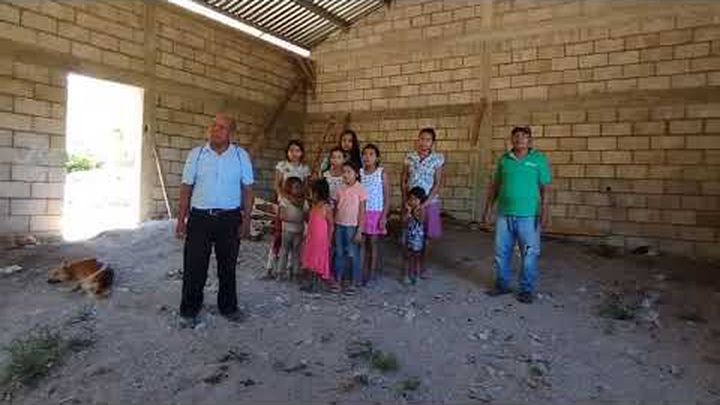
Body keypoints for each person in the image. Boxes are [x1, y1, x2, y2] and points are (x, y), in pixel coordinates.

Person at [175, 113, 254, 327]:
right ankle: (189, 309)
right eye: (214, 126)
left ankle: (228, 307)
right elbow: (186, 187)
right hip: (199, 218)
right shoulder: (197, 154)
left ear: (231, 133)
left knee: (227, 267)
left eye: (221, 127)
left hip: (229, 219)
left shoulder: (240, 156)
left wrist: (246, 222)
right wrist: (181, 220)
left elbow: (248, 190)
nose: (215, 130)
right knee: (194, 266)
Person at [481, 126, 552, 304]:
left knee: (529, 254)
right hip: (504, 215)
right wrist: (488, 209)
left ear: (529, 140)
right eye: (516, 136)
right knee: (501, 252)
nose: (520, 139)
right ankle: (502, 285)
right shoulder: (504, 160)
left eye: (524, 136)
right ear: (511, 140)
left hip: (529, 216)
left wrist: (545, 211)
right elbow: (495, 186)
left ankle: (526, 289)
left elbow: (545, 187)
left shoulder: (538, 159)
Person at [401, 128, 445, 279]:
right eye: (421, 139)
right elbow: (404, 180)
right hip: (411, 202)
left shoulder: (437, 159)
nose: (424, 142)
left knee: (426, 237)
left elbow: (437, 183)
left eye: (427, 140)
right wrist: (405, 201)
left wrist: (424, 204)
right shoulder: (410, 157)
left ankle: (422, 266)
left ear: (432, 143)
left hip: (429, 202)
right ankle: (408, 268)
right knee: (408, 236)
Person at [264, 140, 310, 280]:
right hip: (284, 204)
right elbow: (277, 185)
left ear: (301, 153)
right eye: (291, 150)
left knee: (297, 241)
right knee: (279, 236)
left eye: (297, 150)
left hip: (298, 206)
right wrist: (287, 198)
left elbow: (305, 188)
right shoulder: (282, 166)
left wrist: (300, 201)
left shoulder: (304, 169)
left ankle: (292, 268)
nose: (294, 153)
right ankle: (271, 267)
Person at [333, 161, 367, 294]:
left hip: (352, 227)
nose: (345, 175)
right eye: (344, 172)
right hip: (339, 225)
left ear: (356, 174)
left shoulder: (360, 189)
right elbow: (335, 208)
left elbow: (362, 211)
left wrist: (360, 230)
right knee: (339, 253)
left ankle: (353, 282)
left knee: (353, 254)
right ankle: (338, 280)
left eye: (349, 172)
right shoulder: (339, 188)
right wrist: (333, 226)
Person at [300, 178, 339, 293]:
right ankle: (310, 282)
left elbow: (331, 225)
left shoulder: (326, 207)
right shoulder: (314, 205)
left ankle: (316, 284)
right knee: (310, 258)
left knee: (318, 260)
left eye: (312, 192)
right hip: (311, 237)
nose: (310, 195)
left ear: (318, 193)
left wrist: (329, 240)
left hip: (321, 239)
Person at [360, 144, 390, 284]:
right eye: (365, 154)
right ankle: (362, 270)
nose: (367, 157)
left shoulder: (381, 173)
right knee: (362, 243)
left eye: (371, 154)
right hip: (362, 213)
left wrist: (384, 216)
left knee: (373, 243)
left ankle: (372, 272)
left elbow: (387, 197)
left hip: (376, 213)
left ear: (377, 158)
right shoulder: (359, 173)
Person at [276, 176, 307, 281]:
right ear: (289, 188)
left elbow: (306, 215)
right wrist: (296, 219)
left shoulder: (304, 202)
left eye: (300, 187)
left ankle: (295, 273)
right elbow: (282, 216)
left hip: (299, 231)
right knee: (284, 251)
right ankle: (280, 272)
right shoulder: (284, 201)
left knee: (296, 252)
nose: (298, 190)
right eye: (296, 187)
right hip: (287, 230)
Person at [403, 186, 427, 285]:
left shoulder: (422, 210)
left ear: (421, 200)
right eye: (411, 199)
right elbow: (404, 221)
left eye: (415, 199)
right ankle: (406, 275)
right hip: (408, 236)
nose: (413, 201)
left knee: (417, 256)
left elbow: (421, 220)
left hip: (418, 237)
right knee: (407, 256)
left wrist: (415, 211)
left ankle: (416, 275)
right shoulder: (407, 210)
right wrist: (408, 212)